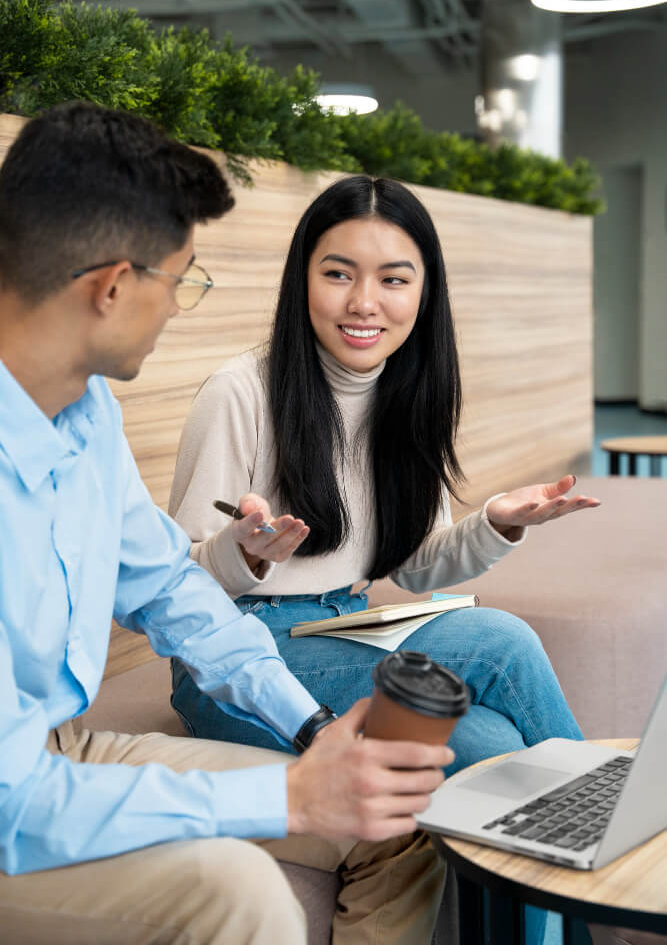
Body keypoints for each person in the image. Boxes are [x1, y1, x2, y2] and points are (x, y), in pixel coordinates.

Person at [0, 105, 455, 945]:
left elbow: (168, 587)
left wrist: (312, 729)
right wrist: (284, 795)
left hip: (57, 748)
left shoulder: (82, 408)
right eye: (180, 280)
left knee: (396, 822)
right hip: (10, 797)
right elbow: (10, 805)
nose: (178, 307)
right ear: (111, 286)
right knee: (234, 891)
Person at [169, 173, 596, 775]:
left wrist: (493, 525)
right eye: (338, 274)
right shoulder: (239, 392)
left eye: (393, 279)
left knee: (486, 744)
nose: (364, 302)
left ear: (424, 293)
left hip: (349, 627)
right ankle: (609, 821)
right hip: (235, 658)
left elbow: (418, 566)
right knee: (502, 642)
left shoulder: (409, 394)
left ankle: (586, 838)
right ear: (303, 280)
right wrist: (238, 553)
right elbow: (174, 591)